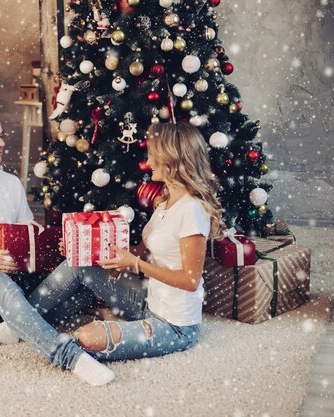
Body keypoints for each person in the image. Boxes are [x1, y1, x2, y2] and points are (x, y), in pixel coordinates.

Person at [0, 109, 115, 386]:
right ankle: (69, 357)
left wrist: (48, 244)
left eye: (1, 135)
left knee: (80, 292)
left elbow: (28, 239)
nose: (1, 142)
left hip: (14, 280)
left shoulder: (12, 184)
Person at [24, 122, 225, 361]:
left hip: (176, 325)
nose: (148, 162)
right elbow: (139, 252)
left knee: (88, 338)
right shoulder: (164, 204)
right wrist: (81, 248)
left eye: (152, 154)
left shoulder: (191, 210)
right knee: (78, 263)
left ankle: (24, 321)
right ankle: (22, 319)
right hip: (147, 304)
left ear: (171, 159)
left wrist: (135, 265)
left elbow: (190, 280)